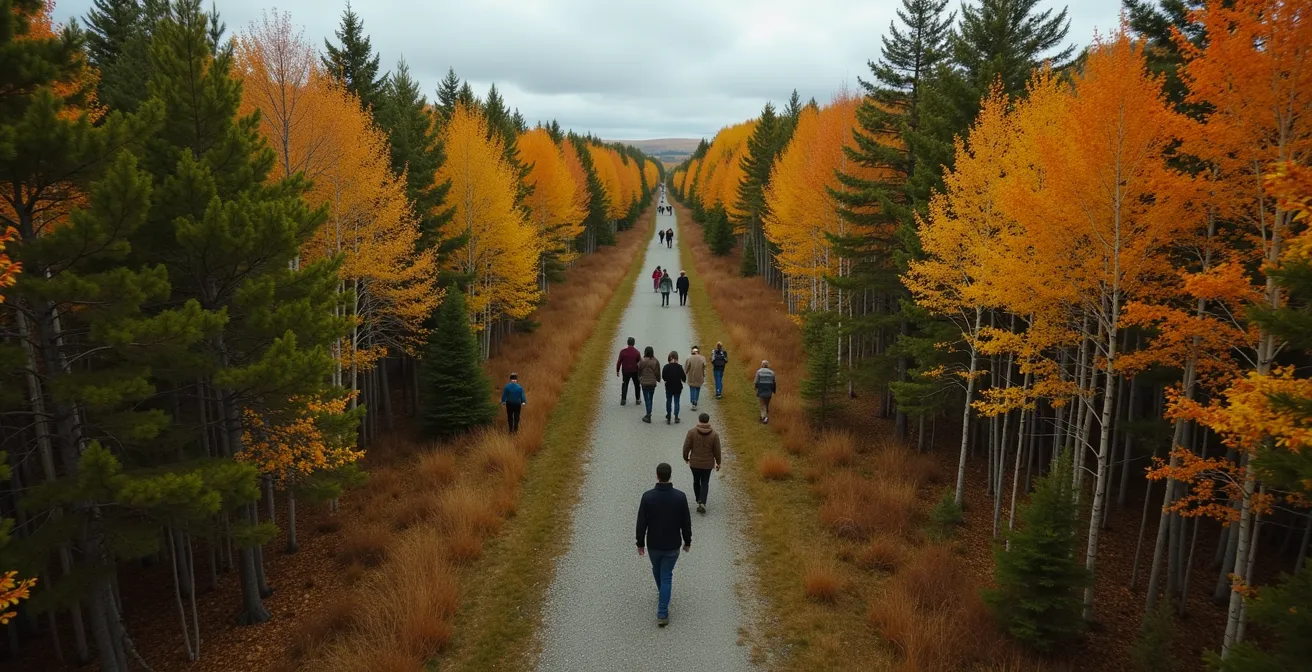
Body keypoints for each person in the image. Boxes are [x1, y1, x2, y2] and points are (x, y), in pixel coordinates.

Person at [635, 462, 691, 627]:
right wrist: (687, 541)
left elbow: (641, 523)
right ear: (670, 475)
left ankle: (662, 609)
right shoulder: (680, 497)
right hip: (672, 545)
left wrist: (640, 543)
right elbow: (685, 523)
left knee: (658, 571)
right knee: (665, 574)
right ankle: (663, 602)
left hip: (653, 545)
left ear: (657, 476)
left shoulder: (648, 497)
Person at [682, 412, 721, 514]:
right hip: (707, 464)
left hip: (695, 463)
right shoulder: (714, 435)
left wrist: (686, 457)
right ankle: (702, 502)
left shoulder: (692, 432)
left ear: (699, 420)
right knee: (705, 482)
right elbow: (717, 450)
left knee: (696, 480)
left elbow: (686, 447)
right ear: (708, 421)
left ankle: (698, 498)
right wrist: (718, 462)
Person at [638, 346, 662, 423]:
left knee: (646, 398)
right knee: (650, 398)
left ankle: (648, 414)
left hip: (644, 382)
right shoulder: (655, 361)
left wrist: (639, 378)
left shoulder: (642, 360)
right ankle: (649, 413)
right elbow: (657, 372)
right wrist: (658, 379)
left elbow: (639, 370)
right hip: (652, 382)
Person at [616, 336, 642, 406]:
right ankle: (638, 399)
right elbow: (640, 363)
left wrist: (617, 370)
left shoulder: (622, 352)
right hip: (634, 371)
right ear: (634, 343)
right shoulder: (637, 352)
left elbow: (619, 362)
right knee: (637, 385)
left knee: (625, 384)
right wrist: (640, 373)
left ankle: (623, 399)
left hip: (626, 370)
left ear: (627, 343)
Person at [662, 350, 686, 424]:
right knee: (676, 401)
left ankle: (669, 415)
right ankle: (676, 416)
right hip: (677, 387)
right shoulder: (679, 367)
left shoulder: (666, 367)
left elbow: (664, 378)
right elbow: (684, 378)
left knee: (668, 401)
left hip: (669, 386)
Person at [753, 360, 776, 424]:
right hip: (769, 391)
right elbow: (774, 382)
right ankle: (764, 416)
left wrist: (755, 387)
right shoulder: (772, 372)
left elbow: (756, 381)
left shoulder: (759, 371)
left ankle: (764, 417)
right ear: (768, 365)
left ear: (762, 365)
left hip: (761, 390)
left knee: (762, 404)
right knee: (766, 404)